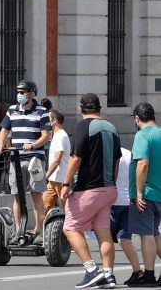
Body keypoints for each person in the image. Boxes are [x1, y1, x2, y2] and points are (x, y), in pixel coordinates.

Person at [59, 93, 121, 289]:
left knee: (70, 228)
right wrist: (111, 183)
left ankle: (91, 270)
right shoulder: (112, 128)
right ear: (100, 108)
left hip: (88, 189)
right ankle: (108, 275)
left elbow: (75, 158)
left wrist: (66, 184)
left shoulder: (82, 127)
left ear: (81, 108)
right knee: (104, 232)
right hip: (109, 189)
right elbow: (117, 161)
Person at [0, 80, 50, 245]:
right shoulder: (12, 110)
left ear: (32, 93)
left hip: (34, 159)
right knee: (17, 196)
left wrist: (33, 145)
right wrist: (0, 143)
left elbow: (46, 136)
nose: (20, 95)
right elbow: (4, 131)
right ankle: (19, 230)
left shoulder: (42, 112)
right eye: (19, 92)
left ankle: (39, 230)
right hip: (16, 158)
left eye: (23, 92)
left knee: (36, 195)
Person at [128, 102, 161, 286]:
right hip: (160, 193)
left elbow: (142, 163)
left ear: (137, 118)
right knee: (156, 234)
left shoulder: (142, 135)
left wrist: (139, 192)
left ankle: (149, 275)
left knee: (146, 235)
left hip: (147, 193)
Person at [110, 147, 144, 286]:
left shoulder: (107, 151)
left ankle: (108, 274)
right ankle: (138, 272)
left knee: (105, 239)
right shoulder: (129, 153)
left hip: (111, 201)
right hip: (128, 201)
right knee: (124, 239)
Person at [42, 109, 70, 215]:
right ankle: (40, 230)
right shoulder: (56, 135)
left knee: (68, 209)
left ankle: (71, 230)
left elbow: (57, 160)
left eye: (48, 119)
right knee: (43, 207)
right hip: (54, 180)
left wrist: (46, 176)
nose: (46, 122)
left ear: (54, 121)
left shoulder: (61, 136)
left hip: (60, 179)